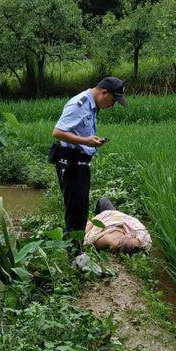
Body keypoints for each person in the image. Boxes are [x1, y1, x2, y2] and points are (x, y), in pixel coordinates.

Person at [51, 76, 127, 243]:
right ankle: (74, 256)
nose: (112, 105)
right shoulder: (79, 104)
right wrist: (86, 141)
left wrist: (91, 142)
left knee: (80, 210)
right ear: (103, 92)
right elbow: (57, 132)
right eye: (112, 101)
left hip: (81, 164)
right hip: (71, 164)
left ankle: (75, 251)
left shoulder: (92, 106)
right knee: (75, 211)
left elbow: (79, 132)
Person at [84, 197, 152, 254]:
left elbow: (92, 226)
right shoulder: (142, 238)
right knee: (104, 202)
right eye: (134, 236)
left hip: (108, 218)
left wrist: (92, 222)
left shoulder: (109, 240)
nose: (132, 234)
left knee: (103, 200)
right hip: (115, 218)